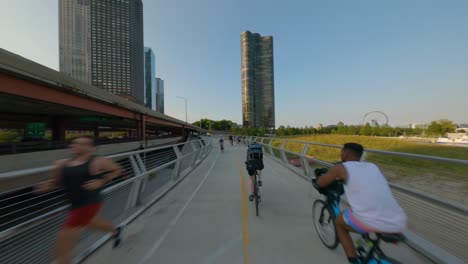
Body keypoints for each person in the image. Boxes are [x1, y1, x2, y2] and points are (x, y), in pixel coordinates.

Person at [35, 136, 124, 264]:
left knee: (61, 249)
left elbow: (118, 169)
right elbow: (56, 182)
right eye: (74, 143)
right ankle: (116, 232)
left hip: (89, 203)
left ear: (91, 148)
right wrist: (48, 185)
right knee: (91, 222)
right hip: (73, 204)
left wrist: (101, 181)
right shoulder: (61, 164)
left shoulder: (98, 161)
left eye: (82, 144)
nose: (76, 146)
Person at [317, 143, 407, 264]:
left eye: (342, 151)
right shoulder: (372, 166)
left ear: (345, 153)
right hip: (398, 219)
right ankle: (367, 245)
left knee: (339, 223)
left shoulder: (340, 168)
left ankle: (354, 260)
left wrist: (319, 177)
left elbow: (321, 183)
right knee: (362, 210)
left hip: (369, 220)